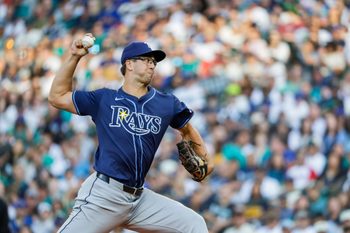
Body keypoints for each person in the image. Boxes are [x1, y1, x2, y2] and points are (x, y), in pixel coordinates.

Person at [48, 33, 214, 233]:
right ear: (129, 64)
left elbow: (186, 128)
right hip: (105, 196)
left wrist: (206, 159)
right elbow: (57, 97)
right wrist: (74, 57)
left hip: (139, 200)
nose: (152, 65)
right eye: (146, 60)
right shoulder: (104, 99)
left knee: (194, 225)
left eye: (154, 62)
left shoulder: (166, 103)